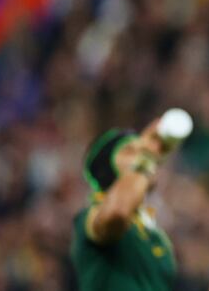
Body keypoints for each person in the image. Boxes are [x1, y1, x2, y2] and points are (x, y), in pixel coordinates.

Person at [71, 119, 178, 291]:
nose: (142, 154)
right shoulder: (89, 215)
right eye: (130, 151)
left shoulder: (154, 233)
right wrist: (145, 160)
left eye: (142, 151)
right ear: (106, 167)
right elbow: (117, 213)